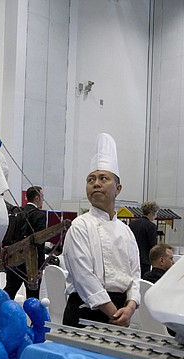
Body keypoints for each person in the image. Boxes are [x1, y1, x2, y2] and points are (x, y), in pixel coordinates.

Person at [62, 133, 141, 328]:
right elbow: (84, 277)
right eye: (91, 179)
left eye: (103, 178)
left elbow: (135, 275)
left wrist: (130, 307)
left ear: (118, 188)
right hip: (85, 313)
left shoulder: (126, 232)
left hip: (121, 312)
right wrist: (115, 315)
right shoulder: (80, 226)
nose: (96, 183)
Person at [3, 186, 46, 300]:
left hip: (15, 259)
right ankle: (33, 318)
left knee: (9, 291)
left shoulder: (17, 213)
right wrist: (40, 266)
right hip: (31, 262)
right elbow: (40, 242)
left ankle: (0, 314)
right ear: (37, 198)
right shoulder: (39, 215)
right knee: (33, 297)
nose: (43, 200)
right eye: (42, 197)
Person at [129, 200, 158, 276]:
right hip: (144, 261)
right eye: (156, 213)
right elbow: (153, 245)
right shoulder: (152, 226)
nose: (156, 216)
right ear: (151, 212)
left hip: (131, 258)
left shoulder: (132, 223)